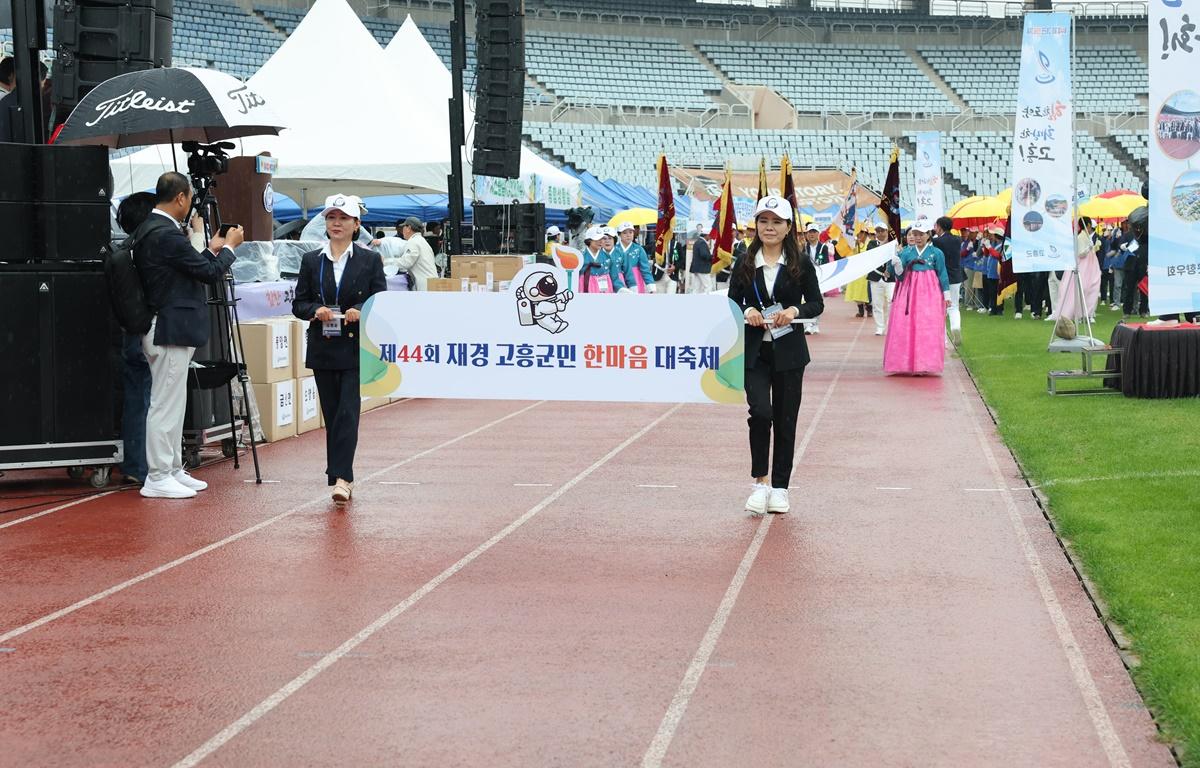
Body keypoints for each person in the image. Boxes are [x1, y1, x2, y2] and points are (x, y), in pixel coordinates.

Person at [136, 172, 242, 498]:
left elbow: (193, 267)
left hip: (170, 326)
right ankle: (157, 475)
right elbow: (208, 273)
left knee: (173, 402)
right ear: (181, 198)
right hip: (167, 327)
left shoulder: (156, 230)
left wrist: (211, 249)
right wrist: (230, 249)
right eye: (189, 198)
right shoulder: (165, 234)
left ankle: (169, 469)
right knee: (165, 404)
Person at [727, 195, 824, 515]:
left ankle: (780, 488)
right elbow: (731, 303)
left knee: (785, 420)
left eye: (776, 222)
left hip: (789, 352)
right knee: (761, 413)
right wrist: (748, 310)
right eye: (763, 221)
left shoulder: (801, 263)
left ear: (787, 227)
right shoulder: (743, 261)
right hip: (754, 352)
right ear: (755, 225)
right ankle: (760, 482)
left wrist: (795, 310)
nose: (769, 227)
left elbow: (816, 304)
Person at [292, 194, 388, 502]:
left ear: (356, 224)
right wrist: (315, 309)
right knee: (332, 413)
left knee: (348, 412)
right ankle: (338, 471)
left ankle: (343, 478)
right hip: (323, 346)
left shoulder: (369, 259)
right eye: (332, 218)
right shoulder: (311, 260)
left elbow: (380, 299)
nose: (336, 223)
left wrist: (360, 308)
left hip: (354, 347)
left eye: (343, 218)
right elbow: (299, 303)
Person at [883, 218, 951, 376]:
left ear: (929, 235)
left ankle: (924, 363)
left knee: (927, 326)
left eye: (921, 234)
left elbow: (942, 273)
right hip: (908, 292)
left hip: (930, 293)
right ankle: (904, 362)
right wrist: (898, 267)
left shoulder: (936, 253)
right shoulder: (906, 252)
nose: (918, 237)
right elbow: (899, 277)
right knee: (904, 324)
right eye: (915, 234)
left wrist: (946, 294)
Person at [1054, 216, 1102, 335]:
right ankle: (1081, 313)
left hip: (1090, 266)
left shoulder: (1086, 236)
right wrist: (1090, 248)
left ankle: (1088, 313)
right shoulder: (1081, 237)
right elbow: (1080, 253)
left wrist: (1094, 247)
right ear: (1088, 225)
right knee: (1082, 289)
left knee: (1091, 288)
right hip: (1083, 267)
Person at [932, 216, 963, 343]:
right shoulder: (958, 239)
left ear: (939, 226)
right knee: (954, 306)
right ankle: (955, 326)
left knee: (941, 308)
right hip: (956, 276)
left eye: (935, 226)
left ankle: (943, 339)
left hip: (942, 277)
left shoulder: (937, 242)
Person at [800, 221, 834, 334]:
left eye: (814, 232)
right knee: (804, 300)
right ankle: (807, 325)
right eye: (809, 232)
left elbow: (825, 262)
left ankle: (815, 324)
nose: (811, 234)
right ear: (806, 234)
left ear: (818, 233)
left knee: (816, 301)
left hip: (819, 277)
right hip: (805, 277)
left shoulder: (823, 247)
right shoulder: (803, 247)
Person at [867, 222, 894, 336]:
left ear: (887, 232)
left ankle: (890, 325)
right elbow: (873, 255)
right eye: (878, 231)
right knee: (877, 304)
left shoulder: (893, 243)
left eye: (882, 230)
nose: (880, 233)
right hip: (876, 277)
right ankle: (880, 327)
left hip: (890, 278)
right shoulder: (872, 243)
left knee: (891, 302)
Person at [614, 221, 655, 293]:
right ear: (619, 234)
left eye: (630, 232)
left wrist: (650, 285)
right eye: (624, 233)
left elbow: (645, 269)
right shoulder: (614, 250)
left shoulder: (639, 249)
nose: (628, 235)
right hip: (619, 279)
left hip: (636, 280)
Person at [579, 225, 622, 293]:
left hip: (605, 292)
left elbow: (615, 278)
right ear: (589, 240)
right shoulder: (581, 258)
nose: (600, 241)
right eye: (597, 239)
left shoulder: (608, 257)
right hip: (587, 290)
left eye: (602, 239)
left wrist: (621, 289)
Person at [687, 225, 714, 294]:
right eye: (710, 235)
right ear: (706, 235)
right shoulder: (702, 242)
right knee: (708, 286)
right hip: (702, 269)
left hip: (697, 268)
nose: (710, 237)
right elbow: (704, 255)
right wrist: (713, 257)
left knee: (697, 288)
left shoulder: (698, 242)